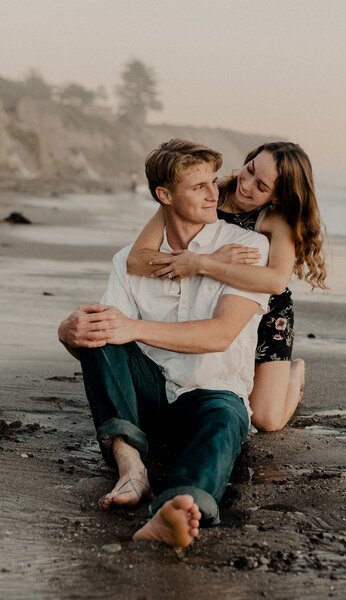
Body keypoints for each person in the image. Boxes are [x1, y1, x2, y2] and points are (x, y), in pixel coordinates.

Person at [58, 139, 270, 548]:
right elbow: (103, 348)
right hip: (147, 397)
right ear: (164, 196)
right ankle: (130, 466)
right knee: (100, 324)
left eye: (214, 182)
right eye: (199, 187)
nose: (216, 194)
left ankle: (177, 507)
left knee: (225, 423)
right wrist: (69, 333)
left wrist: (133, 328)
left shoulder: (246, 248)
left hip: (212, 393)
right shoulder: (130, 260)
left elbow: (220, 334)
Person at [126, 141, 327, 432]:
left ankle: (292, 380)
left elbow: (275, 281)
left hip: (269, 312)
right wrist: (198, 261)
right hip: (213, 300)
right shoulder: (204, 194)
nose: (246, 185)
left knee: (266, 421)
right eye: (249, 170)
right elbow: (137, 259)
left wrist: (202, 265)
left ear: (277, 198)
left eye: (261, 186)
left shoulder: (273, 220)